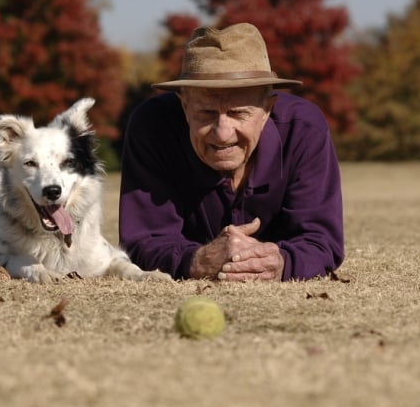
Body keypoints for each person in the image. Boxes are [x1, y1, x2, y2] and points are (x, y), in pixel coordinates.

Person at [118, 23, 344, 281]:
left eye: (238, 113)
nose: (223, 133)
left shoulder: (304, 130)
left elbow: (321, 242)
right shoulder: (152, 127)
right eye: (206, 113)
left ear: (266, 110)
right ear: (184, 105)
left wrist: (280, 262)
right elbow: (143, 242)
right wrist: (197, 261)